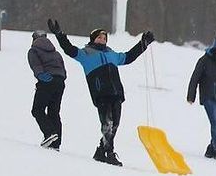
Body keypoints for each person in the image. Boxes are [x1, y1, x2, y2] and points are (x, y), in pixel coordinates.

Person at [47, 19, 154, 166]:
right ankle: (109, 153)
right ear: (93, 39)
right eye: (99, 37)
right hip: (101, 94)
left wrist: (144, 43)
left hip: (116, 93)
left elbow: (129, 57)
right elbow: (69, 49)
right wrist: (59, 34)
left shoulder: (112, 54)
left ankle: (100, 151)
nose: (102, 40)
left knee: (115, 123)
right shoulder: (86, 54)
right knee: (107, 124)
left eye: (104, 38)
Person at [186, 32, 216, 161]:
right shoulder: (205, 60)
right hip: (209, 97)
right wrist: (191, 95)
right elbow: (195, 77)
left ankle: (212, 148)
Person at [27, 30, 67, 150]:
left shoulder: (33, 51)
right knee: (54, 112)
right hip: (60, 83)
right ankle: (56, 144)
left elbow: (36, 66)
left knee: (37, 110)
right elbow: (63, 70)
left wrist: (42, 76)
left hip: (47, 81)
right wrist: (60, 78)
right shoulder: (56, 53)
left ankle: (49, 133)